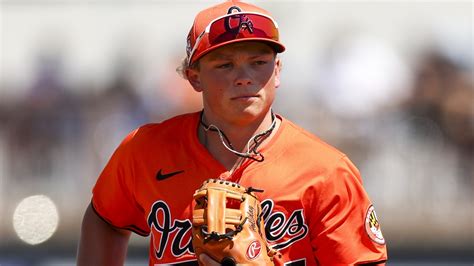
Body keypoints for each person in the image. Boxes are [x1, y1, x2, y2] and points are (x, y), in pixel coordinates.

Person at [77, 0, 388, 265]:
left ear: (277, 71)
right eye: (225, 65)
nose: (244, 77)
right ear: (194, 77)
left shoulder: (326, 171)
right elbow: (104, 219)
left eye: (259, 62)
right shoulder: (145, 150)